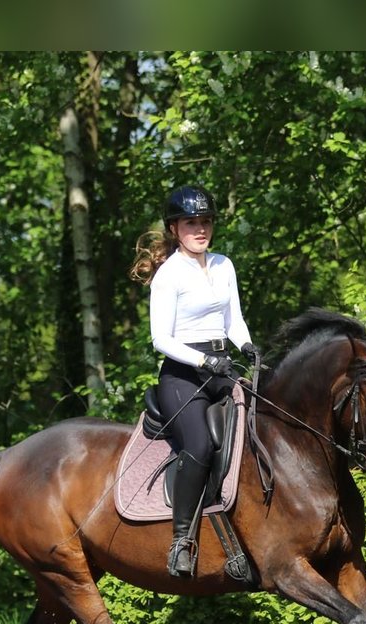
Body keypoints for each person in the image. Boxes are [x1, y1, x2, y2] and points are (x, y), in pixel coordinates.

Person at [129, 185, 260, 577]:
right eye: (191, 223)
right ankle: (181, 541)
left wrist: (248, 345)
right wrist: (205, 359)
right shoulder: (168, 275)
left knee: (259, 423)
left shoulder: (224, 265)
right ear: (174, 228)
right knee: (201, 444)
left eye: (205, 222)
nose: (200, 229)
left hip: (221, 365)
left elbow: (232, 318)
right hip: (182, 375)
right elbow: (161, 339)